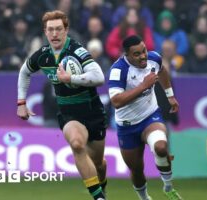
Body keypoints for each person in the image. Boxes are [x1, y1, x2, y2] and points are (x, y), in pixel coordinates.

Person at [16, 10, 107, 200]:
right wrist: (21, 102)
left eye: (59, 29)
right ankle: (99, 197)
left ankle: (102, 185)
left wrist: (70, 78)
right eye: (50, 30)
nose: (54, 34)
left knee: (99, 163)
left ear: (66, 30)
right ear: (45, 32)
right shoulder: (42, 55)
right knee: (76, 143)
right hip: (68, 113)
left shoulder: (77, 51)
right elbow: (24, 72)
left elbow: (99, 77)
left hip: (92, 111)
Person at [108, 35, 183, 200]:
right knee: (136, 169)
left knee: (161, 147)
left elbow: (162, 71)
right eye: (137, 54)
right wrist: (144, 86)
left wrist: (169, 95)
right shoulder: (118, 70)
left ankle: (168, 187)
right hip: (127, 126)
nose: (143, 56)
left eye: (144, 51)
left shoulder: (154, 58)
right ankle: (144, 198)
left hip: (150, 116)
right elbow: (116, 101)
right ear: (126, 55)